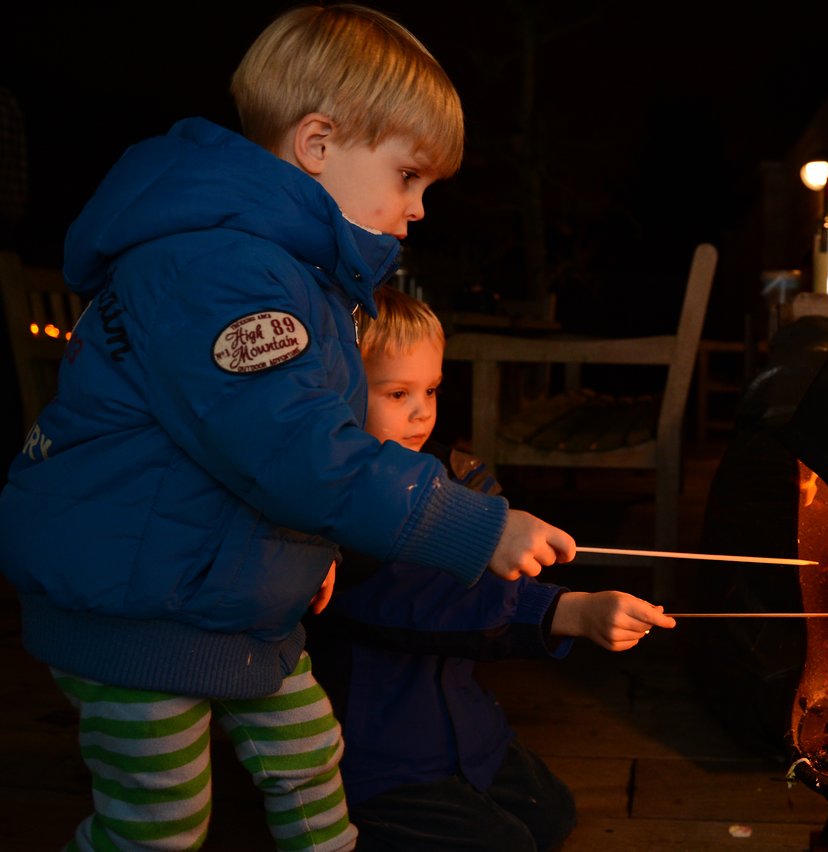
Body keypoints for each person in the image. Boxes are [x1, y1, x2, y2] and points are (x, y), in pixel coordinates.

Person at [0, 5, 574, 850]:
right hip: (136, 610)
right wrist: (474, 522)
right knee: (158, 820)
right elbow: (298, 449)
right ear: (318, 144)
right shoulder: (222, 267)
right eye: (408, 176)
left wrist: (303, 556)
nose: (416, 209)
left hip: (221, 596)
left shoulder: (291, 273)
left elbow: (242, 453)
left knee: (311, 756)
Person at [305, 284, 677, 851]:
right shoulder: (339, 515)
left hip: (467, 728)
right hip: (380, 751)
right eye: (397, 392)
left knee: (550, 813)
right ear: (342, 395)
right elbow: (425, 597)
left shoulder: (443, 478)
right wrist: (566, 612)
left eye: (430, 389)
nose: (421, 410)